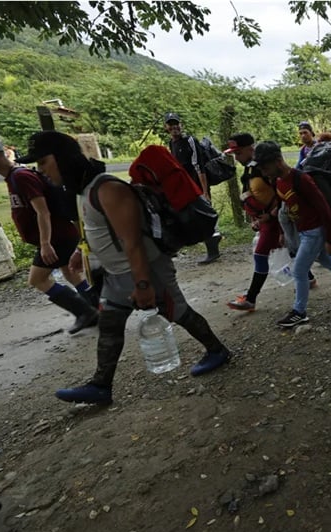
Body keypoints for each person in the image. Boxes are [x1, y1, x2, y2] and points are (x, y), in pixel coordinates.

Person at [17, 130, 232, 405]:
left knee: (178, 311)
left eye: (43, 161)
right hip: (118, 273)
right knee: (110, 325)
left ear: (61, 158)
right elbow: (99, 230)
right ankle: (100, 385)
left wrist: (143, 284)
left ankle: (217, 351)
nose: (40, 169)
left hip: (145, 269)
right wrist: (80, 252)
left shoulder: (107, 189)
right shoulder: (84, 190)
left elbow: (133, 242)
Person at [0, 134, 98, 334]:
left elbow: (42, 211)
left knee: (37, 279)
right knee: (71, 273)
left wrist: (45, 243)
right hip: (59, 235)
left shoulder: (21, 177)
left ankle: (85, 312)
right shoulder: (14, 177)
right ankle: (98, 310)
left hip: (55, 237)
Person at [253, 141, 331, 328]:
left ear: (278, 160)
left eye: (266, 167)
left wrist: (330, 239)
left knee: (299, 270)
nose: (265, 173)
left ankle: (299, 312)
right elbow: (284, 207)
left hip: (314, 231)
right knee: (326, 261)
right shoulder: (279, 181)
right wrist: (282, 232)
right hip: (302, 230)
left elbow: (323, 208)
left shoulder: (301, 179)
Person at [224, 133, 282, 312]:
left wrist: (272, 216)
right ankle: (312, 278)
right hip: (265, 220)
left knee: (261, 255)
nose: (236, 157)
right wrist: (254, 218)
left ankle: (250, 299)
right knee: (295, 254)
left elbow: (283, 193)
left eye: (238, 153)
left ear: (250, 149)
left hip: (276, 220)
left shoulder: (265, 168)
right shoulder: (249, 168)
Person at [164, 112, 222, 264]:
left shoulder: (189, 140)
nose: (174, 127)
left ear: (181, 125)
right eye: (171, 124)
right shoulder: (172, 143)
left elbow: (199, 166)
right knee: (191, 218)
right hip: (185, 187)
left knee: (204, 217)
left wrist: (204, 191)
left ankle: (213, 250)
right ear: (166, 128)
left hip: (197, 186)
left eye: (176, 123)